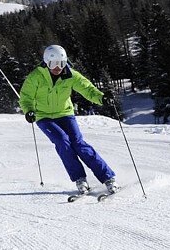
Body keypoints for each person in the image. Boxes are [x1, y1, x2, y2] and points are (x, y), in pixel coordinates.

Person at [19, 45, 118, 195]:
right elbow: (26, 97)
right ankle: (80, 179)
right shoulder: (36, 76)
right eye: (53, 64)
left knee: (78, 143)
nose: (57, 68)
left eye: (61, 63)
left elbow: (87, 89)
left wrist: (102, 98)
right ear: (46, 62)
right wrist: (29, 111)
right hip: (44, 116)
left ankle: (108, 178)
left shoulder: (70, 75)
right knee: (62, 141)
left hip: (65, 113)